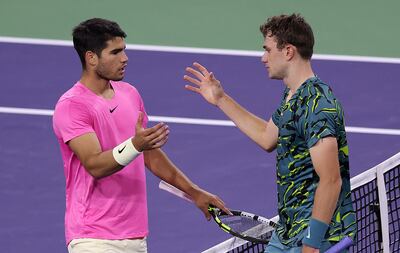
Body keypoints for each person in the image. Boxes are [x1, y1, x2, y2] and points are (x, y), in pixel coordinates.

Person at [52, 18, 229, 253]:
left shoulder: (129, 94)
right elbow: (95, 164)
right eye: (115, 52)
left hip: (136, 236)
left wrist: (194, 192)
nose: (124, 58)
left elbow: (150, 155)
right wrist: (136, 144)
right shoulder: (72, 105)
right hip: (94, 238)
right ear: (91, 58)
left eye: (124, 50)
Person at [184, 14, 356, 253]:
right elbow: (267, 136)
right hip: (288, 231)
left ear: (288, 51)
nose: (263, 57)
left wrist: (311, 242)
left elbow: (331, 179)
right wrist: (221, 99)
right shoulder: (293, 96)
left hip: (317, 235)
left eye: (267, 50)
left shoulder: (317, 104)